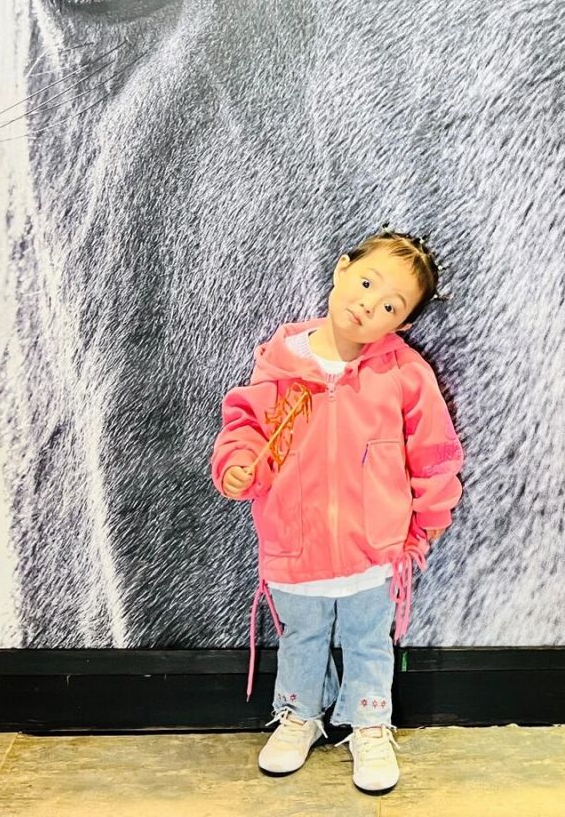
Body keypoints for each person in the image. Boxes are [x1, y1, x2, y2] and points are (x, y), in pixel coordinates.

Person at [210, 228, 463, 795]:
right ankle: (300, 715)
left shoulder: (402, 372)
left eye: (390, 305)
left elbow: (434, 449)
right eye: (367, 282)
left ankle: (370, 723)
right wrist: (239, 463)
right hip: (294, 542)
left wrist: (429, 518)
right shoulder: (282, 361)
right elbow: (248, 426)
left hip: (374, 546)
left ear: (399, 323)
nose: (370, 303)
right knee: (302, 635)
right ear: (342, 269)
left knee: (369, 639)